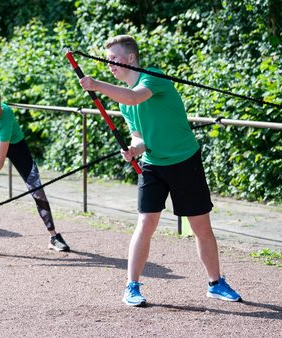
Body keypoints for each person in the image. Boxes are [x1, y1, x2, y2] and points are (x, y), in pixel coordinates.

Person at [77, 35, 241, 306]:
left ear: (130, 58)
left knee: (200, 226)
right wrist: (134, 150)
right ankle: (132, 286)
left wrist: (96, 85)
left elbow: (134, 97)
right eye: (107, 60)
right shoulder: (121, 102)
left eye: (114, 58)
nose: (109, 64)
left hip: (184, 159)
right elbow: (139, 137)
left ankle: (215, 283)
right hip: (153, 165)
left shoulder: (152, 77)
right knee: (146, 223)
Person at [0, 85, 70, 256]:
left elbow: (0, 161)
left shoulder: (5, 114)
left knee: (36, 188)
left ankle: (54, 237)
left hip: (15, 145)